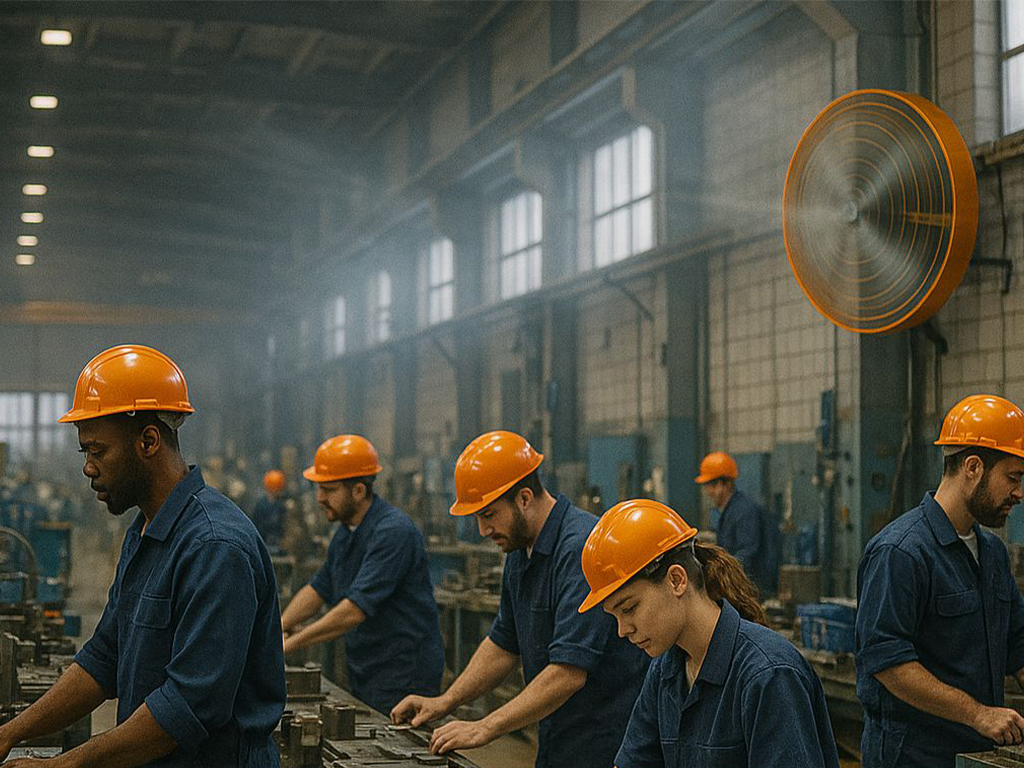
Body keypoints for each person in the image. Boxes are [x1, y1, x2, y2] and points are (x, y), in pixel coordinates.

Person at [0, 344, 286, 768]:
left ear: (148, 441)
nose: (88, 468)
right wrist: (10, 732)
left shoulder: (214, 547)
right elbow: (103, 658)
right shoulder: (145, 531)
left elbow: (187, 706)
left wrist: (63, 765)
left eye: (98, 451)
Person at [391, 430, 648, 768]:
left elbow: (569, 673)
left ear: (524, 498)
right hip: (559, 734)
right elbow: (504, 643)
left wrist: (485, 727)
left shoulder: (582, 550)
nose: (483, 531)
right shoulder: (520, 552)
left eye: (488, 515)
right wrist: (446, 701)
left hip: (608, 742)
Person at [579, 498, 840, 768]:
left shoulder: (768, 675)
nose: (623, 630)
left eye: (630, 608)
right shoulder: (666, 672)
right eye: (616, 617)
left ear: (676, 580)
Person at [856, 394, 1024, 767]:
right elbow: (888, 664)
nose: (1019, 493)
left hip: (976, 752)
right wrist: (979, 714)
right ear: (974, 467)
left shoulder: (993, 554)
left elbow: (1017, 643)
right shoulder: (900, 552)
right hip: (914, 755)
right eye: (1012, 478)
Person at [280, 434, 443, 715]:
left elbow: (353, 611)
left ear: (358, 490)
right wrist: (277, 628)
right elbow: (319, 588)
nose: (319, 498)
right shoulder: (346, 532)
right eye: (318, 489)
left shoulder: (393, 532)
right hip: (366, 666)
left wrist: (288, 645)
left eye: (328, 490)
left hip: (403, 674)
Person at [695, 451, 773, 591]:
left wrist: (719, 572)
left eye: (709, 487)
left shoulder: (744, 511)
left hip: (752, 588)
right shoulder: (730, 511)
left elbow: (748, 552)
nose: (707, 493)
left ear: (721, 484)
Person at [252, 469, 287, 548]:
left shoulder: (283, 505)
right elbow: (256, 524)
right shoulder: (261, 505)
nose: (274, 491)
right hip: (264, 541)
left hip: (279, 542)